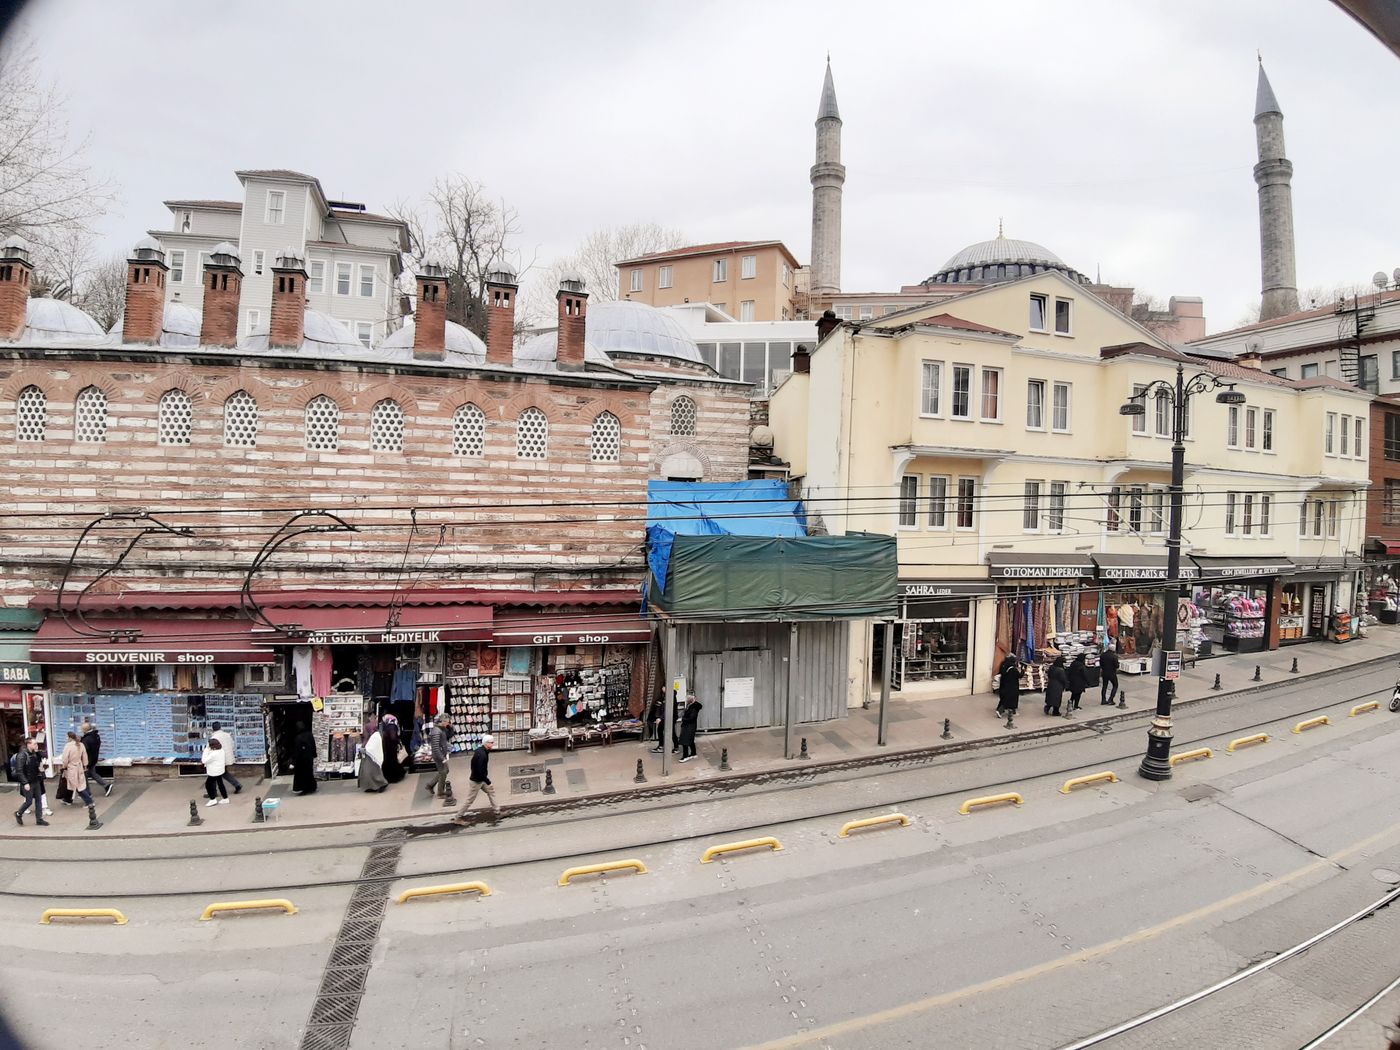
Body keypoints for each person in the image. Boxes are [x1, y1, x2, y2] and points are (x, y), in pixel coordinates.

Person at [454, 734, 499, 820]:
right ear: (486, 743)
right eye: (491, 743)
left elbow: (473, 765)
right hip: (477, 781)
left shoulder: (480, 751)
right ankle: (458, 817)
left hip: (480, 779)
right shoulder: (482, 755)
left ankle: (497, 811)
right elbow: (480, 771)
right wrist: (488, 781)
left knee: (491, 791)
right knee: (469, 800)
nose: (493, 744)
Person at [13, 737, 48, 827]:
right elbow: (19, 770)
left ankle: (39, 819)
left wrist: (41, 771)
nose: (36, 745)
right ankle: (18, 814)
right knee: (28, 802)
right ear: (28, 744)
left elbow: (36, 766)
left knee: (39, 800)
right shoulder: (22, 755)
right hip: (28, 782)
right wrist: (25, 783)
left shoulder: (34, 754)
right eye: (34, 744)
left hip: (36, 780)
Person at [59, 731, 97, 810]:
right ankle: (67, 799)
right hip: (80, 767)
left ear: (69, 737)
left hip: (71, 768)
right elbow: (85, 756)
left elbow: (65, 759)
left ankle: (89, 801)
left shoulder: (68, 746)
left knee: (76, 785)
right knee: (73, 784)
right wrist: (85, 765)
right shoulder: (81, 744)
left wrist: (64, 766)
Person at [79, 719, 112, 797]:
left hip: (88, 761)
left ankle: (87, 793)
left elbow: (83, 751)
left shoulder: (86, 739)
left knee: (84, 776)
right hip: (93, 759)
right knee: (92, 773)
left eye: (82, 729)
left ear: (84, 730)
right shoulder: (95, 735)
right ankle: (106, 785)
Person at [210, 721, 241, 795]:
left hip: (219, 759)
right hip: (228, 758)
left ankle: (213, 792)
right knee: (223, 773)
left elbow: (212, 750)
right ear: (220, 727)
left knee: (214, 774)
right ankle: (237, 785)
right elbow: (232, 745)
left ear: (213, 729)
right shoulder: (227, 735)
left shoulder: (214, 737)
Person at [425, 714, 451, 798]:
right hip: (439, 756)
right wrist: (442, 758)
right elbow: (435, 747)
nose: (448, 724)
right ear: (443, 722)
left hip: (441, 754)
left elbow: (448, 736)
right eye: (447, 722)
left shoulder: (441, 729)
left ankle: (430, 785)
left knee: (445, 771)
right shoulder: (436, 731)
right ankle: (440, 793)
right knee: (443, 772)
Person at [357, 727, 388, 792]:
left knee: (370, 773)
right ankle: (371, 786)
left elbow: (371, 748)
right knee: (369, 773)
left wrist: (364, 750)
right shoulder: (374, 736)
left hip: (371, 759)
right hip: (370, 758)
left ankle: (381, 784)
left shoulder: (375, 737)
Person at [291, 722, 318, 795]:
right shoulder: (309, 734)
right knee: (309, 773)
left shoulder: (298, 738)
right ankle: (312, 787)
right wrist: (314, 754)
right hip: (309, 758)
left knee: (302, 775)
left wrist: (293, 762)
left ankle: (304, 789)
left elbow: (297, 751)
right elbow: (313, 744)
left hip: (301, 760)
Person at [201, 737, 229, 806]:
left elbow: (204, 760)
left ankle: (212, 799)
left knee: (208, 785)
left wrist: (206, 750)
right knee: (220, 784)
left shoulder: (213, 754)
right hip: (220, 770)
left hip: (214, 772)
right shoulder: (221, 750)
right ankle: (225, 798)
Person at [380, 714, 405, 784]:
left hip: (387, 747)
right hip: (391, 747)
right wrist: (398, 741)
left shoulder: (388, 726)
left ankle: (389, 777)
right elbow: (393, 737)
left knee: (389, 762)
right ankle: (394, 778)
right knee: (392, 761)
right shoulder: (392, 726)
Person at [996, 653, 1022, 717]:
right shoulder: (1012, 669)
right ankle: (1000, 711)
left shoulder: (1003, 665)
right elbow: (1019, 676)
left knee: (1004, 699)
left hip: (1004, 685)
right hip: (1012, 687)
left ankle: (1012, 711)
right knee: (1009, 700)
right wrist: (1022, 671)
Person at [678, 694, 702, 762]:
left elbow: (692, 718)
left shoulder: (693, 708)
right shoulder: (690, 705)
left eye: (687, 699)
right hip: (689, 726)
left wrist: (683, 719)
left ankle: (685, 756)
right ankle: (693, 754)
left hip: (689, 726)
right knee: (690, 740)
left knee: (684, 741)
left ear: (690, 700)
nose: (686, 700)